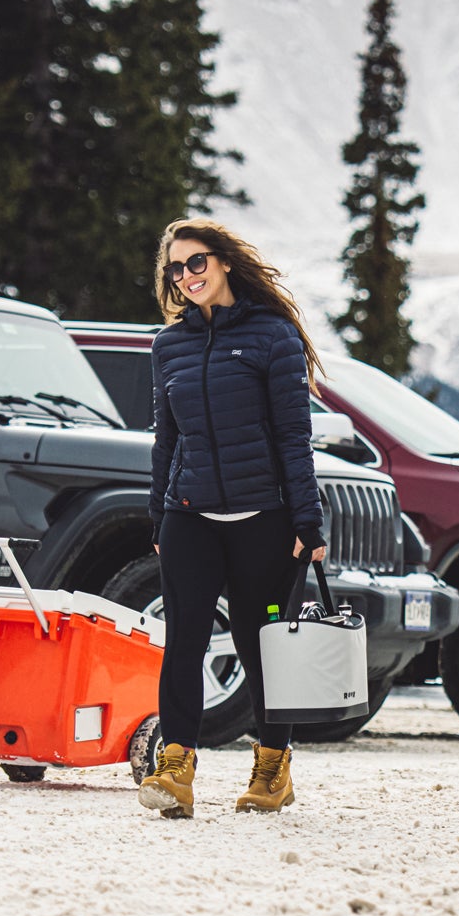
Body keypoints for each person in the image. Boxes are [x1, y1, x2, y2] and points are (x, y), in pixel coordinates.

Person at [135, 219, 328, 820]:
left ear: (223, 263)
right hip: (190, 515)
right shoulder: (169, 345)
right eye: (176, 268)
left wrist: (307, 522)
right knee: (183, 642)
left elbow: (295, 437)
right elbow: (166, 438)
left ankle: (272, 765)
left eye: (197, 263)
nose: (186, 276)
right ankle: (176, 767)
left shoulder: (272, 337)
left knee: (261, 646)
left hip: (263, 520)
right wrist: (159, 516)